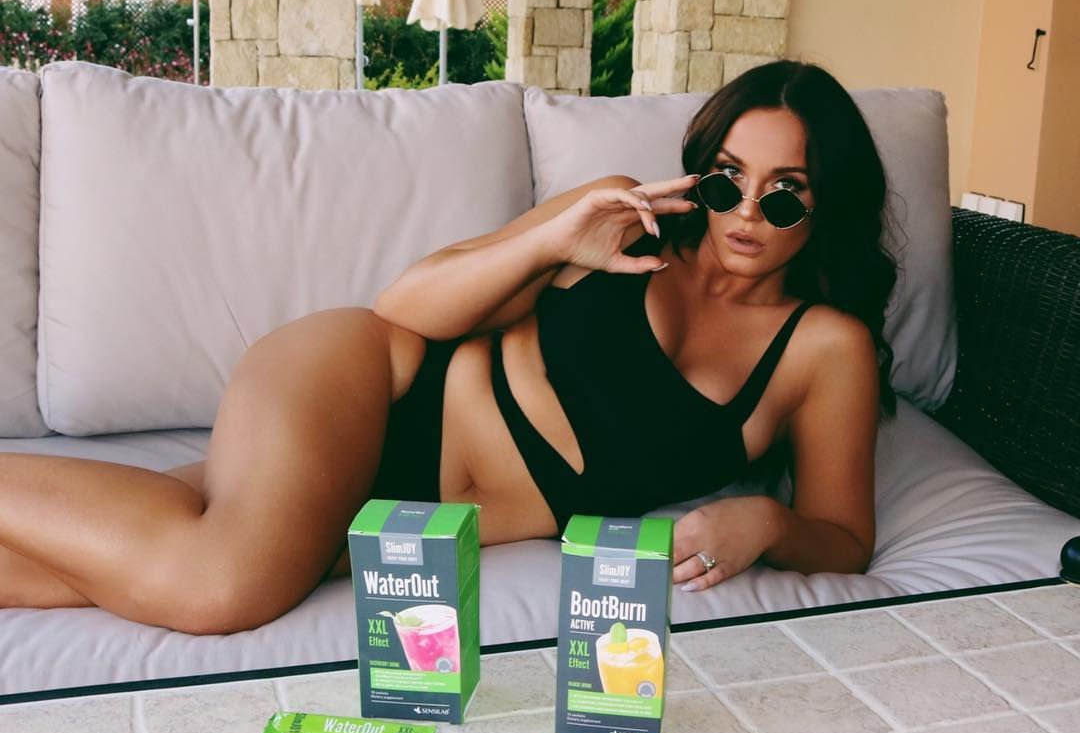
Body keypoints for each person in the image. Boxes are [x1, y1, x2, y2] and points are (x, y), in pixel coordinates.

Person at [0, 60, 896, 634]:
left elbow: (846, 538)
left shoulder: (825, 350)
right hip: (367, 385)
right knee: (219, 585)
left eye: (785, 192)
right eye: (728, 180)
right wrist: (550, 242)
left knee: (60, 569)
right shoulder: (622, 216)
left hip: (402, 514)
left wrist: (768, 522)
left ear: (829, 206)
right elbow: (405, 305)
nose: (746, 213)